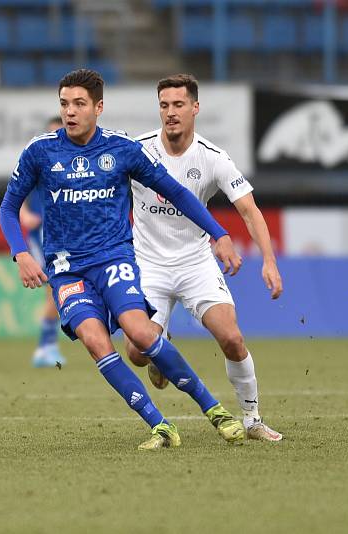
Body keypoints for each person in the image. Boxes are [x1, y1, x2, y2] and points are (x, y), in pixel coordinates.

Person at [0, 69, 245, 450]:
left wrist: (219, 232)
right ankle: (160, 426)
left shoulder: (122, 149)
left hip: (114, 257)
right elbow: (8, 209)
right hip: (66, 269)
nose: (70, 111)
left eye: (79, 103)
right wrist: (21, 254)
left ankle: (214, 410)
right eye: (64, 103)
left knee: (142, 334)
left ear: (98, 107)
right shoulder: (40, 151)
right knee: (97, 343)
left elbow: (177, 193)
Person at [125, 73, 283, 442]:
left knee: (231, 338)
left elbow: (249, 210)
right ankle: (159, 350)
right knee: (135, 351)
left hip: (195, 263)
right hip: (148, 265)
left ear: (195, 108)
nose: (171, 113)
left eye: (178, 105)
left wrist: (269, 260)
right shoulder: (138, 151)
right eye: (164, 105)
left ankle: (252, 419)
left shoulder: (213, 158)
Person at [20, 117, 67, 368]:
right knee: (55, 289)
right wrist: (25, 215)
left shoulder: (74, 164)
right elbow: (15, 197)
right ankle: (45, 347)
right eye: (50, 132)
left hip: (65, 236)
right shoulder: (38, 161)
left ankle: (47, 346)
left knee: (57, 291)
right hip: (43, 236)